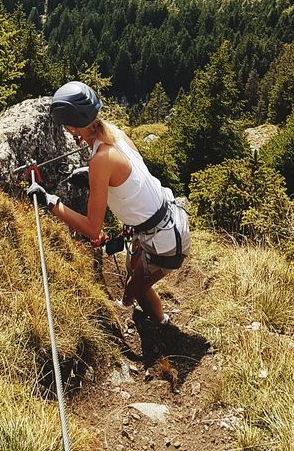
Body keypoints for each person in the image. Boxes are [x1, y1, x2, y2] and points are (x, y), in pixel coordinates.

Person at [26, 80, 190, 326]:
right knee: (133, 270)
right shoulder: (114, 133)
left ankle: (160, 323)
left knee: (134, 291)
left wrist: (49, 202)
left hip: (165, 239)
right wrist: (91, 176)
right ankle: (149, 315)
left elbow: (93, 228)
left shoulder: (101, 160)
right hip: (165, 222)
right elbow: (130, 176)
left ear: (72, 127)